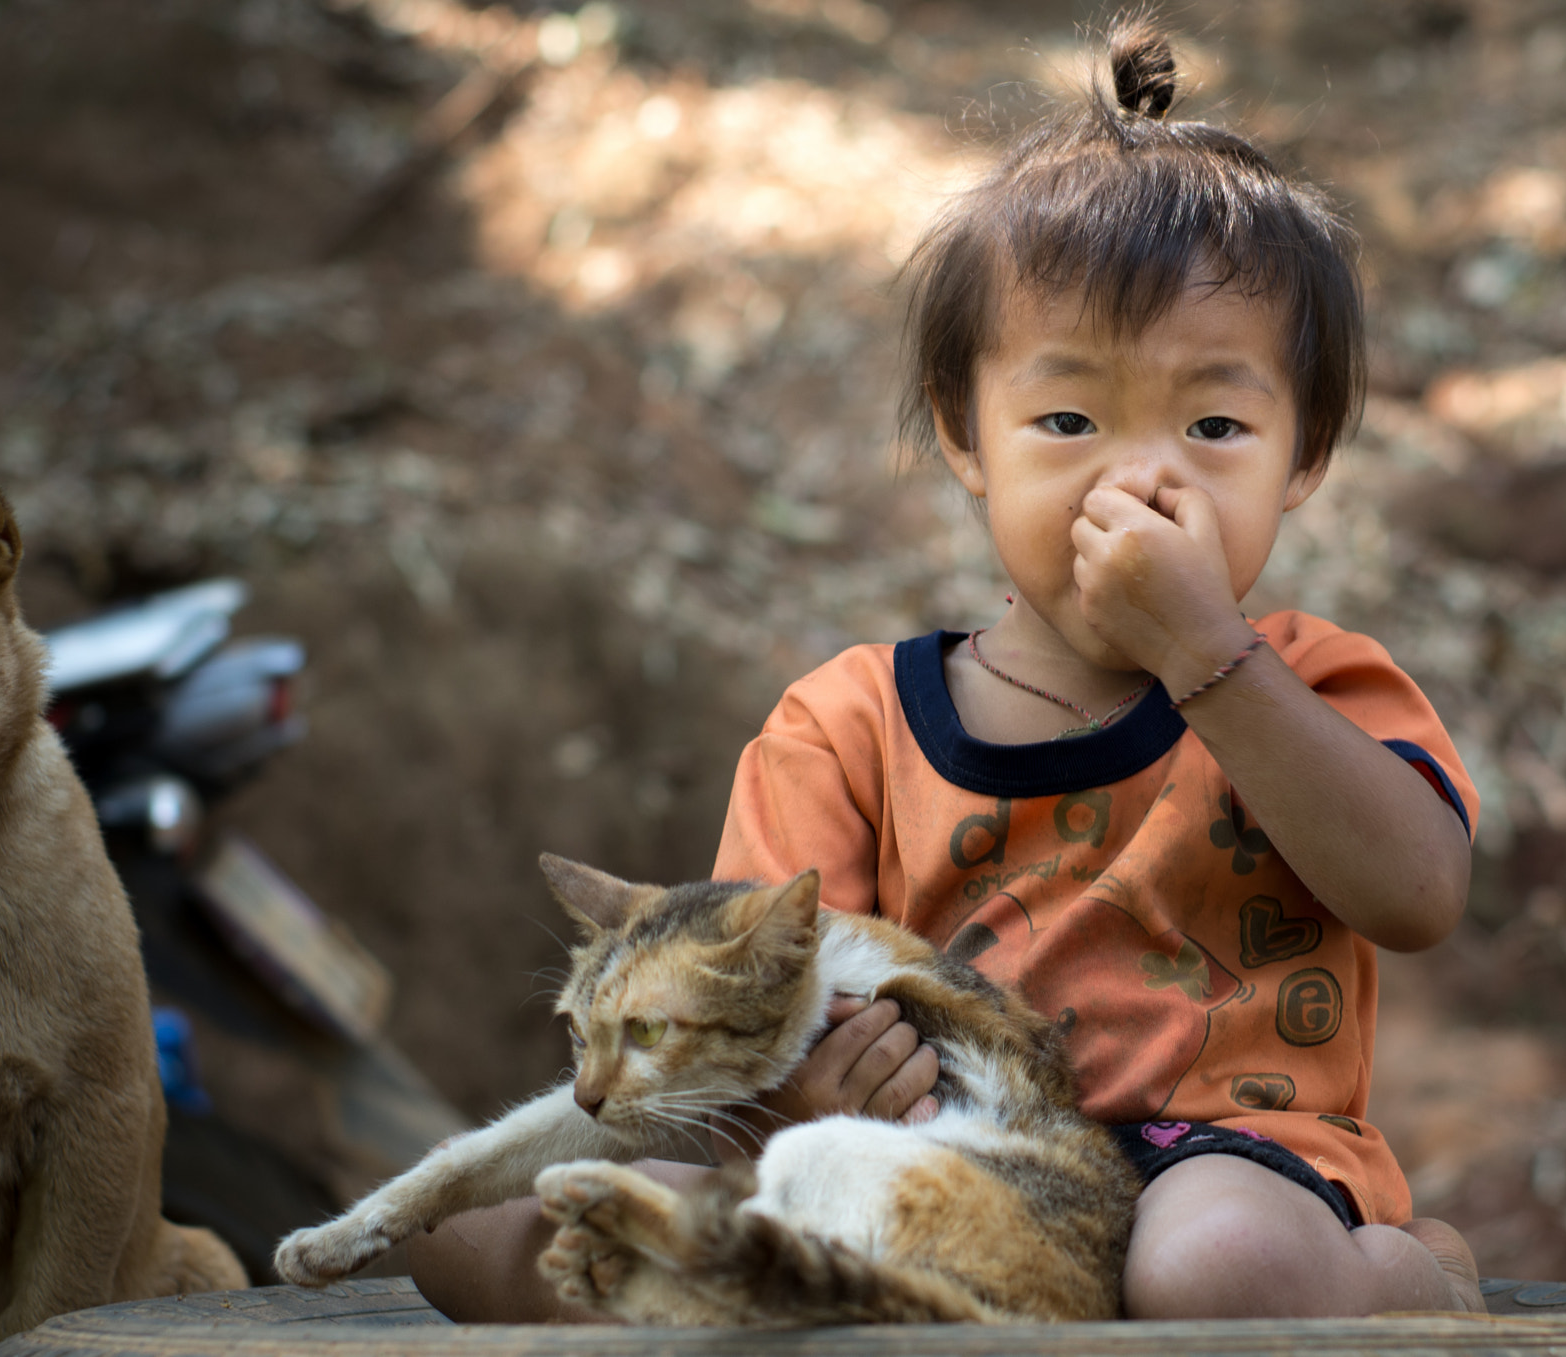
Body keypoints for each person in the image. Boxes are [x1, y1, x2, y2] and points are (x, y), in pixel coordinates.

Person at [407, 15, 1484, 1320]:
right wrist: (803, 1095)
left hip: (1232, 1165)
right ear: (963, 434)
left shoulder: (1311, 681)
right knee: (477, 1234)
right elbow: (739, 992)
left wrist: (1210, 656)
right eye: (1068, 418)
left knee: (1209, 1271)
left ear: (1302, 454)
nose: (1140, 475)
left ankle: (1418, 1282)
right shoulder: (849, 723)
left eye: (1213, 422)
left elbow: (1419, 889)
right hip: (951, 1165)